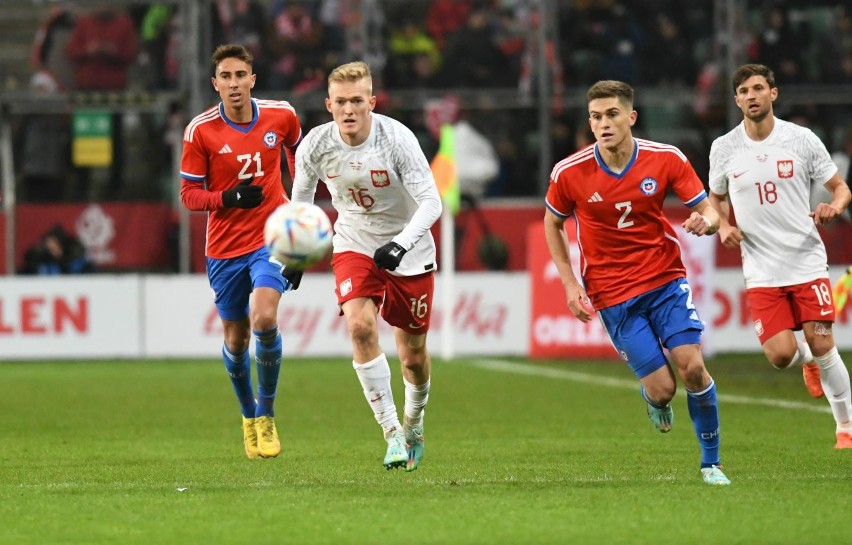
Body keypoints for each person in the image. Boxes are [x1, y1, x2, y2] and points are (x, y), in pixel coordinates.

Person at [543, 80, 731, 486]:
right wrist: (569, 282)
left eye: (612, 115)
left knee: (693, 368)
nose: (603, 124)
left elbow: (711, 213)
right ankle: (654, 400)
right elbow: (553, 223)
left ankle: (711, 463)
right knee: (663, 389)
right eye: (595, 117)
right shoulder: (569, 173)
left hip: (664, 280)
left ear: (631, 117)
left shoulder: (666, 159)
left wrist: (707, 221)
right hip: (613, 294)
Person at [290, 61, 442, 471]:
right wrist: (294, 255)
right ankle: (392, 432)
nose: (349, 109)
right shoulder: (316, 146)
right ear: (329, 104)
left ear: (371, 102)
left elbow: (432, 202)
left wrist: (401, 243)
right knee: (359, 326)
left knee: (412, 356)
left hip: (408, 247)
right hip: (354, 241)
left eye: (357, 101)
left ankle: (414, 420)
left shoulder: (396, 139)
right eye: (341, 102)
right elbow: (300, 205)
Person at [708, 64, 852, 450]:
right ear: (737, 99)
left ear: (774, 93)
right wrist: (722, 225)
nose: (751, 95)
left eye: (759, 88)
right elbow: (715, 200)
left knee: (824, 344)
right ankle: (803, 357)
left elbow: (840, 188)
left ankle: (846, 429)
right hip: (760, 268)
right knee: (779, 355)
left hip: (805, 259)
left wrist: (833, 208)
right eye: (744, 91)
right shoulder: (724, 148)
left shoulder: (801, 139)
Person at [179, 44, 303, 460]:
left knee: (265, 317)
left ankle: (266, 415)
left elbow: (296, 154)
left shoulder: (281, 115)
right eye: (225, 77)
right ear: (215, 84)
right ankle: (248, 416)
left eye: (240, 76)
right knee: (236, 338)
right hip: (225, 248)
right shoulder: (200, 131)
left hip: (271, 237)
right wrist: (228, 197)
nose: (234, 84)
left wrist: (296, 217)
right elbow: (188, 195)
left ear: (253, 79)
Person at [22, 225, 95, 275]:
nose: (50, 247)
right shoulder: (44, 261)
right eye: (48, 244)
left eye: (53, 243)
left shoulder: (77, 261)